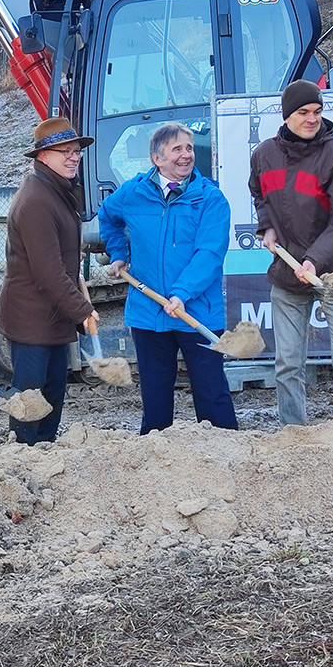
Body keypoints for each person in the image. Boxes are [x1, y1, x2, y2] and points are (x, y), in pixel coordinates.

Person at [100, 123, 238, 434]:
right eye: (177, 149)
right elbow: (107, 216)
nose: (186, 155)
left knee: (211, 392)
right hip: (149, 314)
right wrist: (118, 251)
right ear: (156, 158)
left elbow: (210, 254)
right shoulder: (133, 193)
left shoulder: (210, 199)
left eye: (189, 148)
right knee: (155, 395)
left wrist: (181, 293)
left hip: (196, 311)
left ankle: (227, 453)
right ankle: (156, 458)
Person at [250, 80, 333, 425]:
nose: (312, 119)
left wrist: (314, 259)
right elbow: (260, 195)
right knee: (287, 363)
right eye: (303, 112)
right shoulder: (264, 156)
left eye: (317, 112)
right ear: (287, 116)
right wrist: (266, 227)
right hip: (288, 275)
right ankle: (293, 433)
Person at [0, 117, 98, 445]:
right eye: (63, 151)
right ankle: (24, 459)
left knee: (52, 394)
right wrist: (82, 309)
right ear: (42, 156)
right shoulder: (37, 199)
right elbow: (47, 271)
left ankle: (44, 453)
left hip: (50, 317)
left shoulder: (56, 190)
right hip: (31, 319)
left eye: (75, 150)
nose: (73, 156)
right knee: (30, 400)